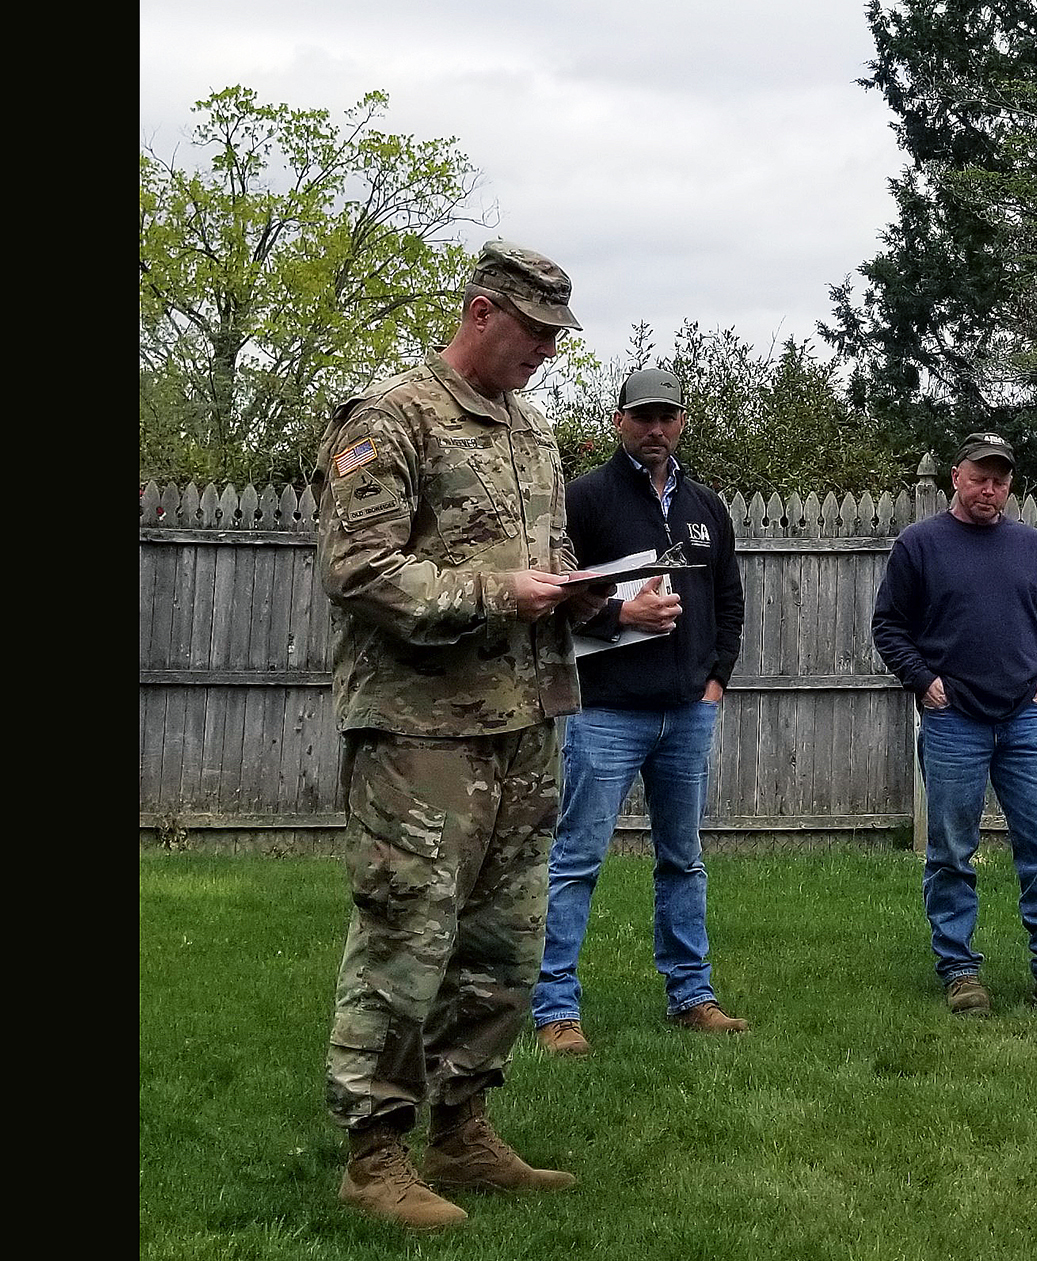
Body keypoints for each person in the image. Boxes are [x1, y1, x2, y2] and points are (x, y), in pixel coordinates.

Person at [312, 242, 605, 1229]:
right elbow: (363, 572)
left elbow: (547, 567)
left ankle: (464, 1130)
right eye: (533, 334)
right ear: (482, 313)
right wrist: (496, 593)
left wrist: (600, 602)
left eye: (556, 340)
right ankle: (373, 1155)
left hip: (523, 722)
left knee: (502, 944)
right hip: (417, 731)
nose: (546, 355)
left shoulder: (535, 435)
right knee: (407, 933)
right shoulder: (387, 419)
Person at [532, 366, 751, 1056]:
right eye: (643, 416)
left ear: (682, 421)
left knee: (683, 859)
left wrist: (714, 684)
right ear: (618, 420)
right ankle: (556, 1008)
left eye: (668, 416)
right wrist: (623, 612)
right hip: (607, 713)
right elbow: (556, 595)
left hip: (687, 714)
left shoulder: (707, 507)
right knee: (576, 860)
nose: (655, 429)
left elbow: (730, 604)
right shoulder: (586, 500)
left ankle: (692, 995)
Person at [871, 433, 1037, 1017]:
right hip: (952, 721)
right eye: (978, 477)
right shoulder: (919, 545)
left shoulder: (1033, 547)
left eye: (999, 479)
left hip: (1025, 719)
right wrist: (924, 680)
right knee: (950, 852)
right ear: (956, 478)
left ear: (1009, 485)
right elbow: (889, 625)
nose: (988, 489)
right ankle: (960, 970)